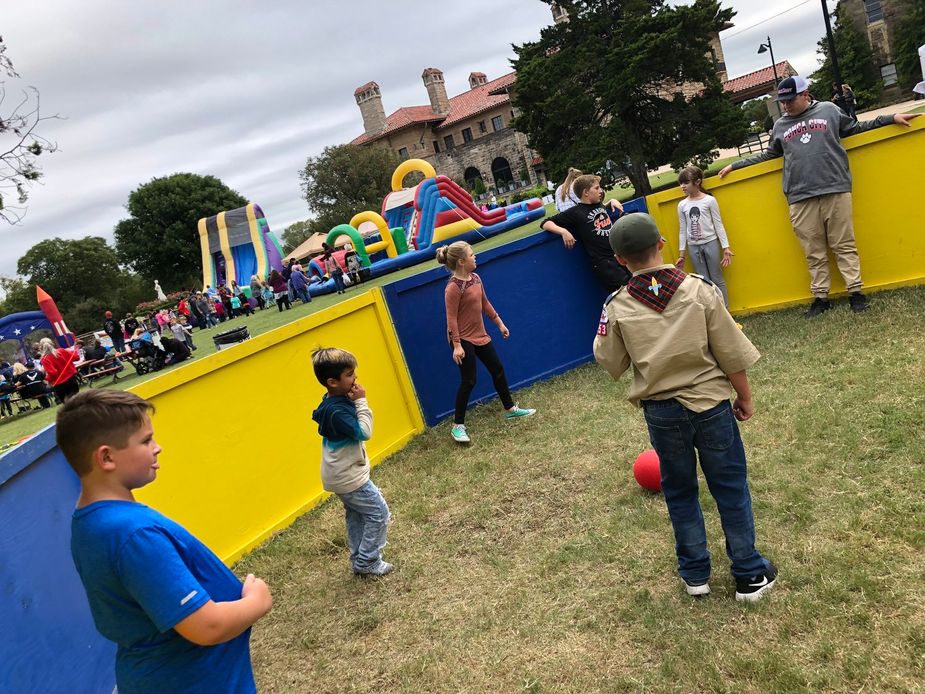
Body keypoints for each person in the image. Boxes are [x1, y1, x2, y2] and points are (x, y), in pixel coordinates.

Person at [593, 213, 777, 602]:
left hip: (662, 412)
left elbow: (610, 361)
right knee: (730, 487)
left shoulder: (617, 305)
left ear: (620, 260)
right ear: (661, 242)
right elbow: (730, 351)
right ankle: (749, 573)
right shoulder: (700, 290)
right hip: (711, 405)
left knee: (679, 492)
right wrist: (744, 396)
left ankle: (695, 575)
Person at [58, 390, 272, 692]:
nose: (157, 448)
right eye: (146, 441)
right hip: (190, 682)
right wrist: (256, 601)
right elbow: (206, 626)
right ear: (106, 457)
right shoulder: (131, 534)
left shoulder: (92, 520)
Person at [719, 75, 920, 317]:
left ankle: (855, 293)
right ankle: (820, 297)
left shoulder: (829, 110)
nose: (786, 105)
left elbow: (855, 128)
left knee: (844, 244)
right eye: (782, 102)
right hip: (799, 195)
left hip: (834, 187)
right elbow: (769, 155)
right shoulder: (780, 125)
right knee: (813, 250)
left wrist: (891, 118)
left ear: (806, 95)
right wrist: (736, 166)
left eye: (790, 100)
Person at [437, 241, 536, 444]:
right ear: (462, 261)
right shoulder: (453, 288)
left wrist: (500, 324)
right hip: (462, 338)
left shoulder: (476, 278)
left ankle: (510, 409)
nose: (476, 257)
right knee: (469, 380)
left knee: (497, 369)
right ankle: (458, 427)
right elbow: (451, 319)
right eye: (472, 255)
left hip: (479, 334)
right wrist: (456, 345)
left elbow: (485, 303)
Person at [311, 347, 393, 577]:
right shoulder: (337, 412)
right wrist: (361, 402)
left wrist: (351, 399)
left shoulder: (331, 402)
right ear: (332, 382)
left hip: (338, 475)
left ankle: (359, 557)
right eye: (349, 374)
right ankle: (367, 561)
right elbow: (364, 432)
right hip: (349, 478)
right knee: (379, 513)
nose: (355, 377)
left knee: (357, 516)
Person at [540, 174, 629, 294]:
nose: (601, 191)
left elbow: (600, 210)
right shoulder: (575, 212)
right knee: (626, 295)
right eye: (597, 188)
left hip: (619, 257)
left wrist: (611, 202)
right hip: (605, 265)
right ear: (586, 192)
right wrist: (563, 231)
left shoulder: (598, 204)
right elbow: (545, 223)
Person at [675, 166, 733, 308]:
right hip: (693, 246)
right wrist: (682, 254)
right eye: (681, 183)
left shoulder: (709, 200)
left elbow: (718, 225)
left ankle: (725, 311)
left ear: (698, 182)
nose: (682, 186)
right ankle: (712, 312)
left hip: (711, 243)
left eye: (686, 183)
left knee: (717, 279)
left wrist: (726, 247)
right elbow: (683, 230)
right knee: (703, 281)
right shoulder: (682, 205)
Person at [39, 337, 81, 402]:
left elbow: (53, 373)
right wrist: (75, 349)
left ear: (41, 347)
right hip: (72, 380)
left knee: (68, 406)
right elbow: (76, 357)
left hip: (60, 384)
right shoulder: (61, 350)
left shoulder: (44, 359)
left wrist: (47, 379)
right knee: (77, 401)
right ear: (52, 344)